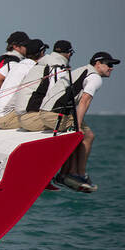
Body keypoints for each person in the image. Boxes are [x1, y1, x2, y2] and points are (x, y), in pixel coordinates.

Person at [39, 52, 120, 192]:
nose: (111, 68)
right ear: (98, 64)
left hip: (47, 111)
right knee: (85, 135)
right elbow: (85, 101)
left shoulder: (81, 69)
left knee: (84, 134)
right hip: (54, 114)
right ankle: (77, 174)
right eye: (109, 64)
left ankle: (65, 174)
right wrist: (77, 127)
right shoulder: (95, 77)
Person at [16, 40, 74, 131]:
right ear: (69, 54)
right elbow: (55, 96)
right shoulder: (57, 67)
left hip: (21, 117)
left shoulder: (42, 64)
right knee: (77, 123)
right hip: (32, 118)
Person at [0, 39, 48, 129]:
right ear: (41, 53)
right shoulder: (33, 69)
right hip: (6, 118)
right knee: (50, 120)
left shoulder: (17, 65)